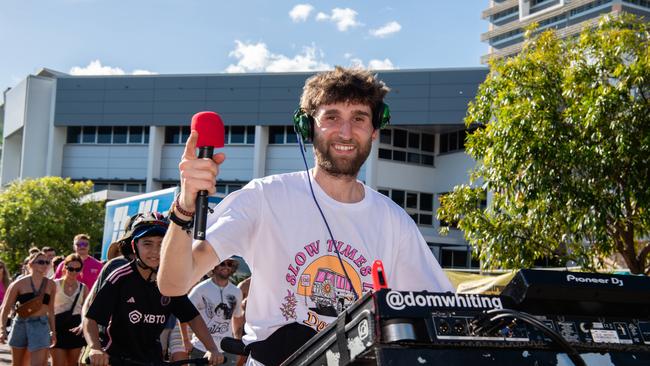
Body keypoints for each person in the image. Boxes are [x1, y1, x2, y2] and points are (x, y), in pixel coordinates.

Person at [158, 66, 454, 365]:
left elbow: (443, 312)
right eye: (332, 117)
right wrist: (185, 206)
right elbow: (174, 284)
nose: (346, 132)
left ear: (375, 130)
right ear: (307, 125)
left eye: (359, 118)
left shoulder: (394, 221)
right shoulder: (265, 197)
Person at [83, 212, 224, 366]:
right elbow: (91, 319)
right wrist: (95, 348)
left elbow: (193, 317)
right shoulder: (120, 278)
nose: (155, 251)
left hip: (152, 358)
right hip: (117, 358)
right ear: (134, 246)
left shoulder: (169, 281)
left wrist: (212, 348)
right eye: (147, 243)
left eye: (161, 244)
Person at [0, 251, 57, 366]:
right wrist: (2, 330)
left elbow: (51, 310)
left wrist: (53, 331)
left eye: (47, 262)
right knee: (18, 364)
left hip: (41, 324)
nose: (45, 265)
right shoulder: (18, 284)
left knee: (39, 364)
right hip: (21, 324)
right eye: (41, 262)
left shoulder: (51, 284)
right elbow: (5, 308)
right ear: (31, 264)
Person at [188, 258, 243, 365]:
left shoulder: (236, 291)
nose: (226, 267)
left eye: (230, 264)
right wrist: (185, 340)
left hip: (227, 349)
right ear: (213, 266)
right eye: (222, 263)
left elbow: (237, 317)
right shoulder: (201, 289)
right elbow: (185, 313)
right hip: (201, 348)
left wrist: (238, 343)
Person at [51, 254, 88, 366]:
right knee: (58, 363)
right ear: (64, 268)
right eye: (70, 269)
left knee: (73, 363)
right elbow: (48, 308)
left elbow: (86, 310)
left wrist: (83, 325)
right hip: (57, 328)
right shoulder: (54, 284)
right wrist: (51, 330)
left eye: (77, 269)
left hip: (75, 329)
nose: (73, 272)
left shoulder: (84, 287)